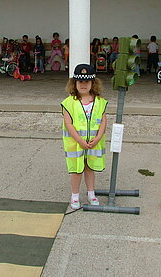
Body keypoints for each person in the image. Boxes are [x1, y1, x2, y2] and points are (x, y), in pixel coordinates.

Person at [61, 64, 108, 209]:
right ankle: (75, 196)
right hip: (76, 144)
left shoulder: (99, 102)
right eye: (80, 82)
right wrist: (80, 140)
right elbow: (68, 124)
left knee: (90, 168)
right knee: (76, 170)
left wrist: (99, 137)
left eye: (87, 82)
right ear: (74, 83)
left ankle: (91, 193)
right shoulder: (69, 103)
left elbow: (104, 120)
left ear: (93, 83)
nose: (83, 85)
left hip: (93, 143)